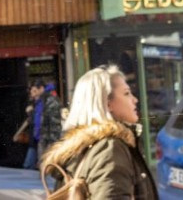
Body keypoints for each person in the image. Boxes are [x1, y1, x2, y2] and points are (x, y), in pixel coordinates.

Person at [41, 66, 157, 199]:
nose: (134, 99)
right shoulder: (109, 148)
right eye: (126, 93)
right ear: (107, 104)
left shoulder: (81, 148)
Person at [31, 80, 62, 161]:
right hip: (42, 137)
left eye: (35, 90)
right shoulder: (40, 100)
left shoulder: (50, 100)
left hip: (48, 139)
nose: (32, 93)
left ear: (41, 88)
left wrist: (52, 142)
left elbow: (54, 123)